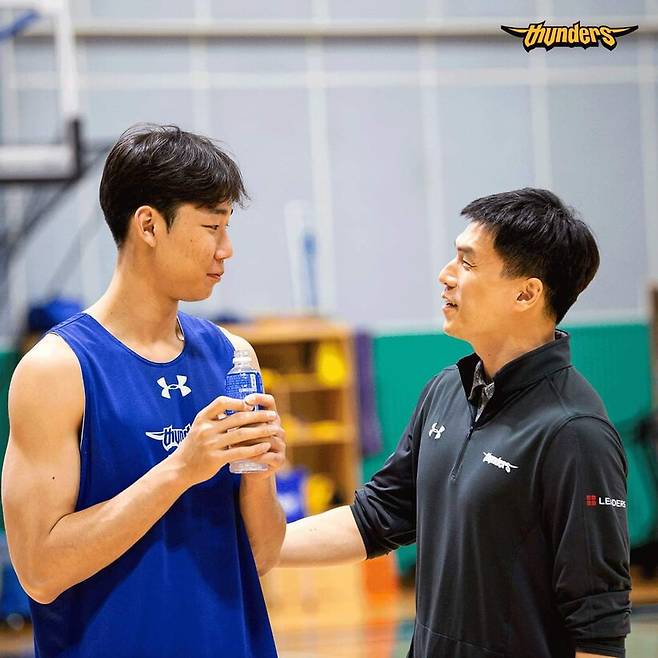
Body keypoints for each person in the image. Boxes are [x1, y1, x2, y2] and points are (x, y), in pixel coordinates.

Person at [280, 188, 631, 658]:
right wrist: (262, 546)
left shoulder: (575, 432)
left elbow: (598, 628)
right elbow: (378, 516)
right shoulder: (445, 390)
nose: (445, 275)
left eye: (467, 263)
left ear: (526, 293)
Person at [2, 124, 286, 658]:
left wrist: (260, 474)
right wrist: (181, 470)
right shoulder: (56, 370)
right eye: (212, 226)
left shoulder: (232, 357)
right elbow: (39, 572)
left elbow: (262, 555)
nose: (226, 249)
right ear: (149, 225)